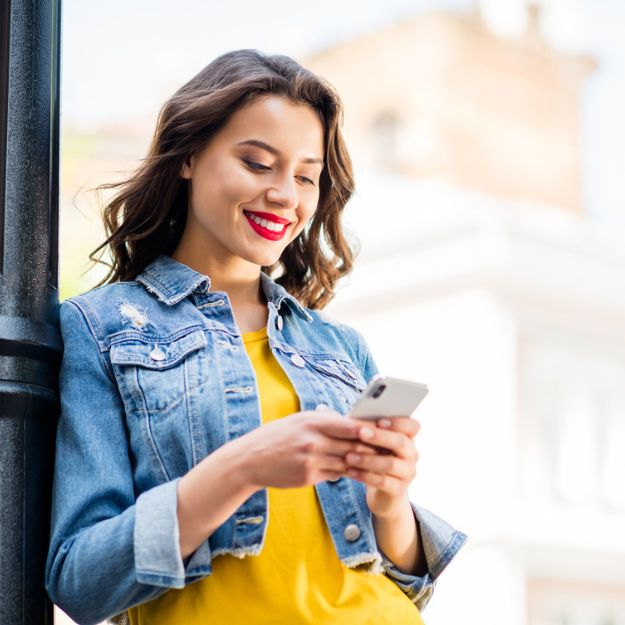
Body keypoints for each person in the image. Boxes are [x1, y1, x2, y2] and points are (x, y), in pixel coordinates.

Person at [45, 49, 467, 625]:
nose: (285, 196)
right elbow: (80, 580)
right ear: (189, 155)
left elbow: (402, 576)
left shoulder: (338, 346)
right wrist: (242, 467)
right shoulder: (102, 326)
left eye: (304, 176)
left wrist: (391, 503)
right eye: (257, 162)